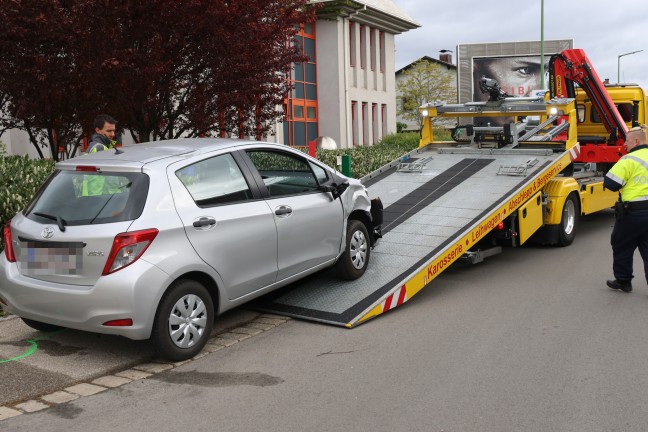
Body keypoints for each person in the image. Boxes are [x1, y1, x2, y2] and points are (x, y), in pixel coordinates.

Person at [603, 125, 648, 293]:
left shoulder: (629, 160)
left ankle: (623, 281)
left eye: (627, 142)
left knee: (622, 245)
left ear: (636, 141)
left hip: (633, 213)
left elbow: (611, 184)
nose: (625, 145)